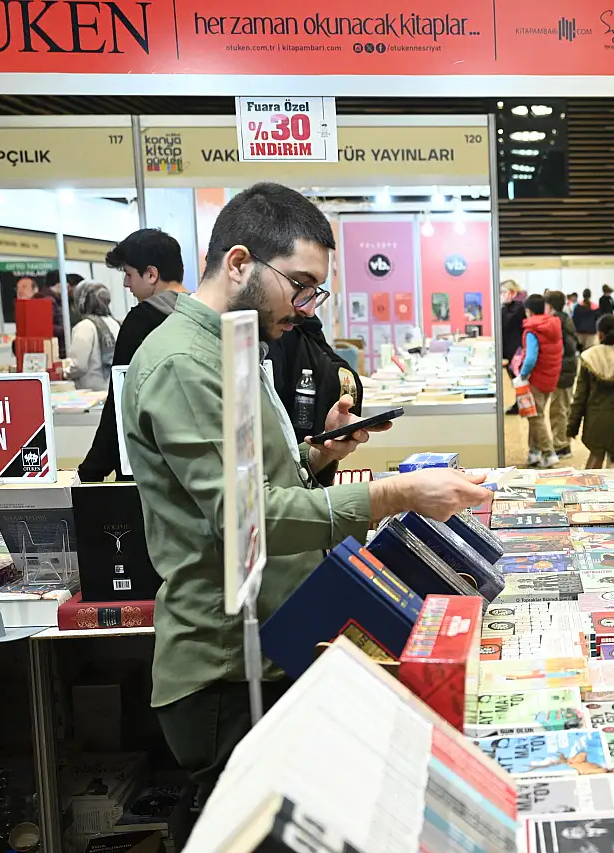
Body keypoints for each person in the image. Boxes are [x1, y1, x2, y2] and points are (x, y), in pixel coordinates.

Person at [122, 182, 490, 801]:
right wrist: (396, 494)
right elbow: (251, 517)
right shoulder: (186, 363)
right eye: (298, 284)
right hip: (228, 670)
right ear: (239, 264)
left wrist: (316, 454)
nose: (307, 306)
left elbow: (252, 480)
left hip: (271, 643)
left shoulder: (233, 345)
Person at [78, 228, 188, 483]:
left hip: (146, 469)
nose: (126, 284)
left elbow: (121, 401)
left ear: (152, 274)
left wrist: (92, 472)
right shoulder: (203, 315)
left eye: (128, 274)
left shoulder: (141, 320)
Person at [568, 314, 614, 469]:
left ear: (599, 334)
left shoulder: (589, 357)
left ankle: (589, 492)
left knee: (593, 465)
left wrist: (572, 426)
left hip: (595, 422)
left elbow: (580, 397)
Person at [267, 314, 363, 434]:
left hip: (312, 440)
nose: (310, 310)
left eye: (314, 297)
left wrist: (315, 453)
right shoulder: (281, 335)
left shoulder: (307, 329)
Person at [519, 293, 564, 468]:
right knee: (535, 415)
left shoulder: (533, 330)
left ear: (529, 311)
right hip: (550, 377)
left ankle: (548, 452)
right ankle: (534, 453)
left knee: (535, 416)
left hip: (536, 378)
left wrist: (523, 374)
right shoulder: (553, 325)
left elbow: (531, 358)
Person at [545, 290, 580, 460]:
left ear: (549, 306)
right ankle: (563, 442)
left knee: (558, 409)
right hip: (569, 368)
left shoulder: (555, 322)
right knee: (563, 407)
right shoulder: (566, 319)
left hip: (562, 370)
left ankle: (561, 445)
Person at [66, 282, 121, 391]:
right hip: (114, 388)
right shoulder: (115, 323)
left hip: (91, 392)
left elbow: (79, 365)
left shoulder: (85, 326)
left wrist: (64, 372)